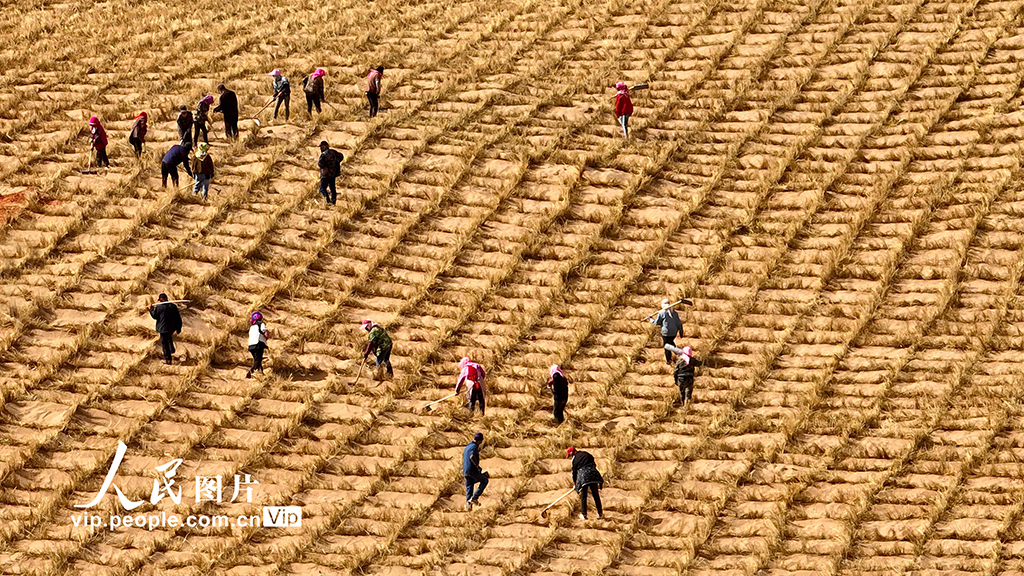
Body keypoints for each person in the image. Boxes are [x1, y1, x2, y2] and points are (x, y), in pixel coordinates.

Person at [567, 447, 603, 520]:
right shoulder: (586, 454)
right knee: (595, 494)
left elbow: (574, 473)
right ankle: (600, 513)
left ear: (572, 454)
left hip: (584, 476)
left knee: (583, 496)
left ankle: (584, 514)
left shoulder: (574, 460)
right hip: (593, 474)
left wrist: (575, 483)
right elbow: (593, 462)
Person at [149, 294, 182, 365]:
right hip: (172, 327)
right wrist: (179, 328)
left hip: (163, 328)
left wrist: (151, 309)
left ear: (160, 300)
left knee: (164, 343)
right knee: (169, 337)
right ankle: (171, 349)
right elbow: (178, 318)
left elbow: (154, 316)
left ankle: (168, 360)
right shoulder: (173, 306)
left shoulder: (159, 307)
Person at [649, 298, 682, 365]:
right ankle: (677, 352)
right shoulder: (674, 313)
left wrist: (650, 319)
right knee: (670, 342)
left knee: (667, 346)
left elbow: (657, 322)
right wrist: (681, 331)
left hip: (666, 333)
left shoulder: (662, 313)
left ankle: (668, 361)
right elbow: (679, 323)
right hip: (674, 332)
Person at [463, 432, 489, 511]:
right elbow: (472, 456)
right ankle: (475, 498)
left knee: (469, 486)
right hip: (471, 470)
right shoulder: (474, 447)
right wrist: (477, 466)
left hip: (465, 470)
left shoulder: (467, 446)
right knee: (484, 480)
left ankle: (468, 506)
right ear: (479, 440)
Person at [317, 140, 343, 205]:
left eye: (321, 146)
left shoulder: (323, 154)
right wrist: (336, 163)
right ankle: (333, 201)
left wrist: (325, 167)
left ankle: (327, 200)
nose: (320, 148)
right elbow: (341, 156)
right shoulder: (333, 152)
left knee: (322, 188)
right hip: (333, 173)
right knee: (332, 188)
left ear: (325, 146)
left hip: (325, 174)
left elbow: (320, 163)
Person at [247, 311, 269, 378]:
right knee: (258, 361)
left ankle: (261, 374)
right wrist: (266, 338)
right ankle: (249, 374)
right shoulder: (261, 324)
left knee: (257, 359)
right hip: (258, 344)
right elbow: (266, 332)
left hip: (251, 346)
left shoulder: (252, 327)